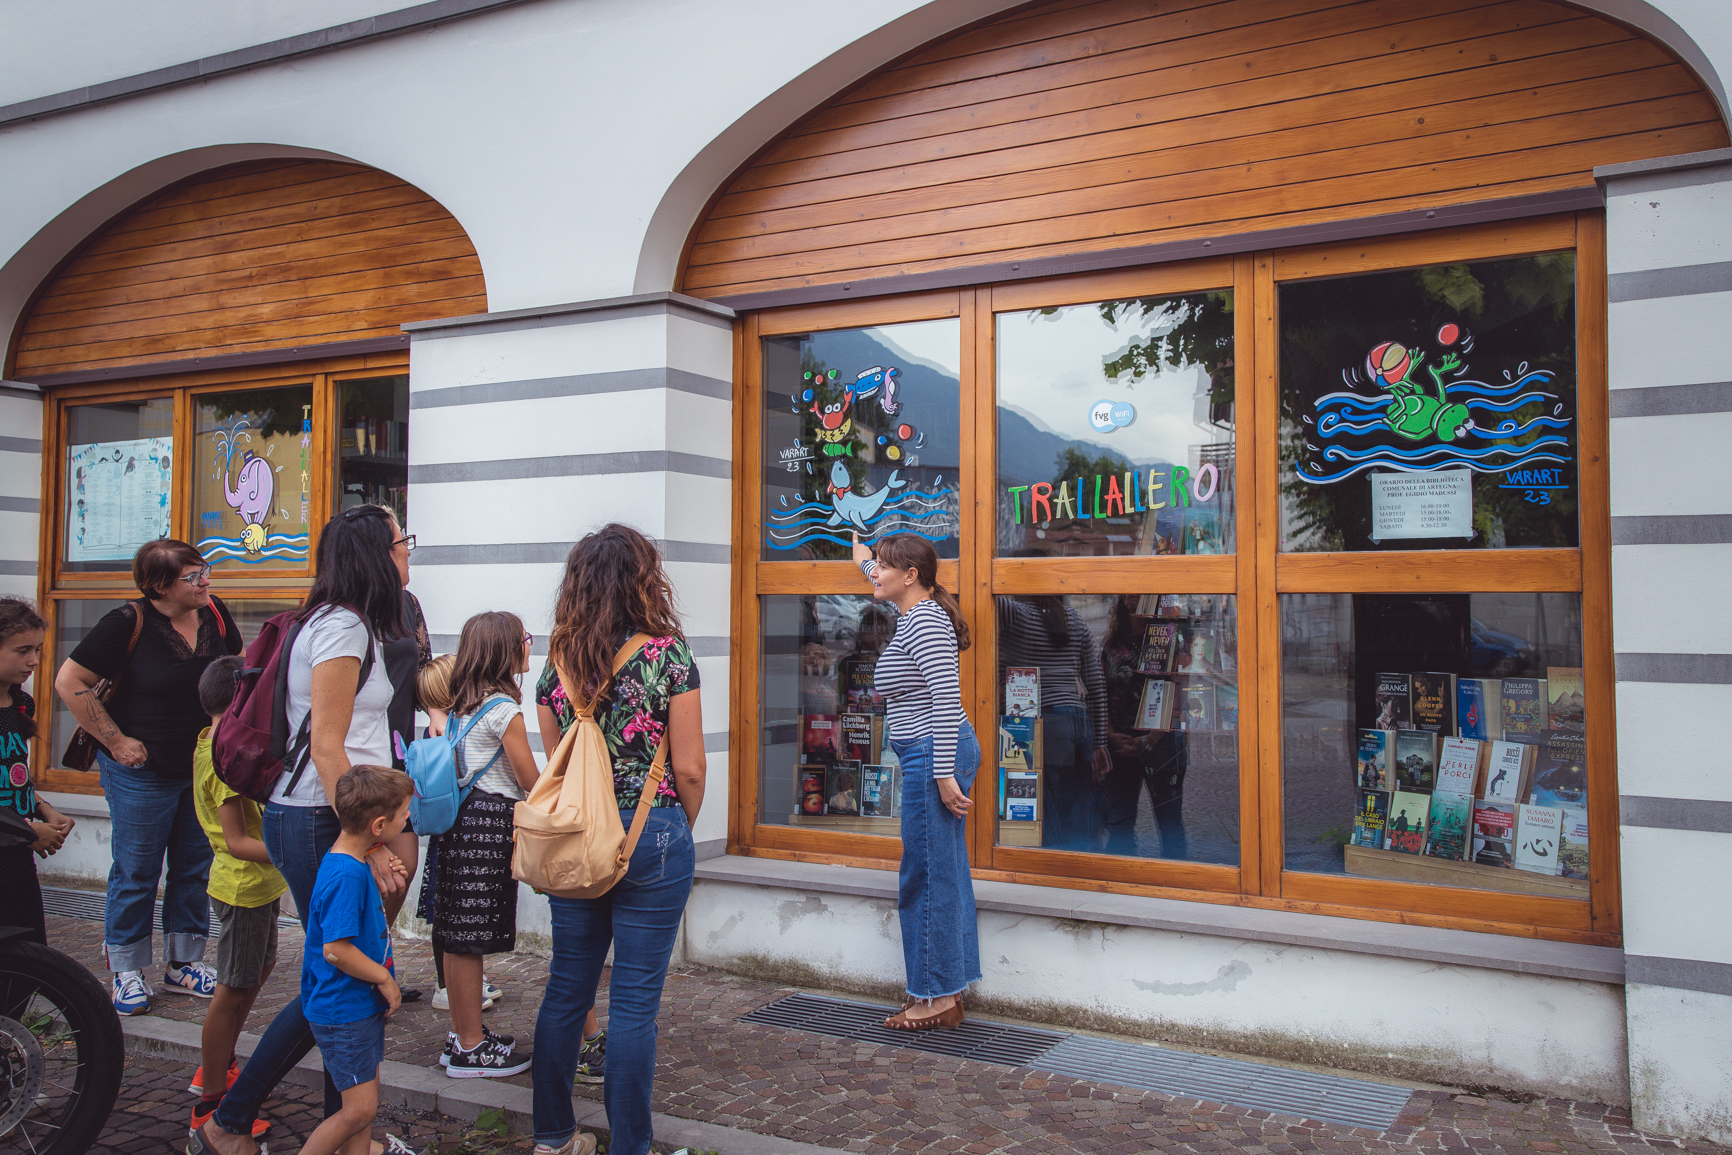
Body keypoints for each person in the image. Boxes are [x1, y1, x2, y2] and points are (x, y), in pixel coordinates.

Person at [192, 505, 410, 1155]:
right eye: (404, 542)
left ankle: (345, 1131)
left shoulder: (340, 621)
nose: (409, 554)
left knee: (338, 979)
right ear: (377, 553)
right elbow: (326, 745)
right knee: (338, 979)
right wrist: (366, 843)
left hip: (321, 818)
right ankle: (232, 1124)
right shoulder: (342, 626)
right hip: (322, 819)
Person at [530, 524, 706, 1155]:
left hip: (578, 832)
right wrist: (676, 824)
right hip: (650, 830)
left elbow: (558, 760)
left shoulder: (555, 662)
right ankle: (631, 1146)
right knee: (634, 1002)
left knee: (568, 984)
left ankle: (552, 1135)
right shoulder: (669, 655)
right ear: (643, 578)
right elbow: (688, 766)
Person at [55, 540, 242, 1014]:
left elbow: (235, 669)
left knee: (194, 865)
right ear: (158, 586)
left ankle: (183, 964)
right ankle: (126, 969)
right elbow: (69, 682)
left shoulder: (214, 613)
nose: (205, 583)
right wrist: (117, 741)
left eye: (205, 571)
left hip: (200, 764)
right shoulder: (125, 623)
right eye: (192, 577)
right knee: (137, 870)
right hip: (141, 769)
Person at [850, 532, 981, 1031]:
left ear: (911, 576)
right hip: (930, 751)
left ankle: (934, 996)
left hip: (934, 753)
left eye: (884, 568)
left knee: (925, 875)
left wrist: (944, 773)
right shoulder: (916, 608)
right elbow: (875, 572)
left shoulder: (924, 622)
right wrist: (861, 552)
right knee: (943, 870)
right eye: (875, 566)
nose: (875, 574)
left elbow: (947, 700)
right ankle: (950, 985)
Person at [432, 612, 538, 1078]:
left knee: (456, 935)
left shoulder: (461, 706)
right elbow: (528, 778)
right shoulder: (503, 710)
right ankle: (472, 1050)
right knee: (471, 938)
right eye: (524, 639)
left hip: (458, 821)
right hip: (490, 824)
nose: (530, 645)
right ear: (506, 650)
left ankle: (462, 1034)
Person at [301, 765, 418, 1155]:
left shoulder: (350, 864)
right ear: (380, 825)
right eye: (404, 814)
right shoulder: (347, 875)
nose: (409, 819)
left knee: (361, 1117)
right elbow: (336, 949)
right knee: (358, 1111)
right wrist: (384, 979)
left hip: (354, 1007)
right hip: (344, 1009)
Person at [188, 655, 282, 1139]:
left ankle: (222, 1064)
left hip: (258, 886)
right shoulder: (221, 758)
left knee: (253, 974)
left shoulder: (218, 743)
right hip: (242, 886)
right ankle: (211, 1101)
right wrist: (291, 850)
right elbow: (239, 842)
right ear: (241, 698)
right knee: (231, 990)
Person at [0, 597, 75, 942]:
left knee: (29, 953)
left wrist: (43, 808)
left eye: (38, 650)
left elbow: (13, 776)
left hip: (16, 854)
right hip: (13, 837)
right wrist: (30, 828)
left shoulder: (21, 703)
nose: (33, 661)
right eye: (22, 650)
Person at [1098, 595, 1188, 859]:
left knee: (1169, 821)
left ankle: (1177, 881)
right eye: (1128, 593)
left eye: (1140, 593)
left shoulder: (1169, 638)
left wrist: (1152, 738)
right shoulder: (1113, 642)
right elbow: (1101, 689)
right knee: (1119, 820)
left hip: (1162, 740)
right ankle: (1120, 879)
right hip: (1121, 740)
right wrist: (1110, 734)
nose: (1133, 598)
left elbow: (1181, 691)